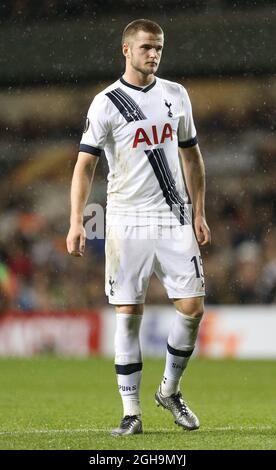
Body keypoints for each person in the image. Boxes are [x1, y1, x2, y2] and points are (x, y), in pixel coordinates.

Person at [66, 19, 211, 436]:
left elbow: (192, 157)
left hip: (173, 217)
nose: (154, 54)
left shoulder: (175, 95)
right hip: (127, 220)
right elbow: (84, 166)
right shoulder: (106, 103)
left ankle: (169, 390)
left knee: (193, 307)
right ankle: (131, 413)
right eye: (147, 46)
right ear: (126, 50)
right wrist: (77, 221)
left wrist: (198, 211)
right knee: (128, 315)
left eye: (159, 47)